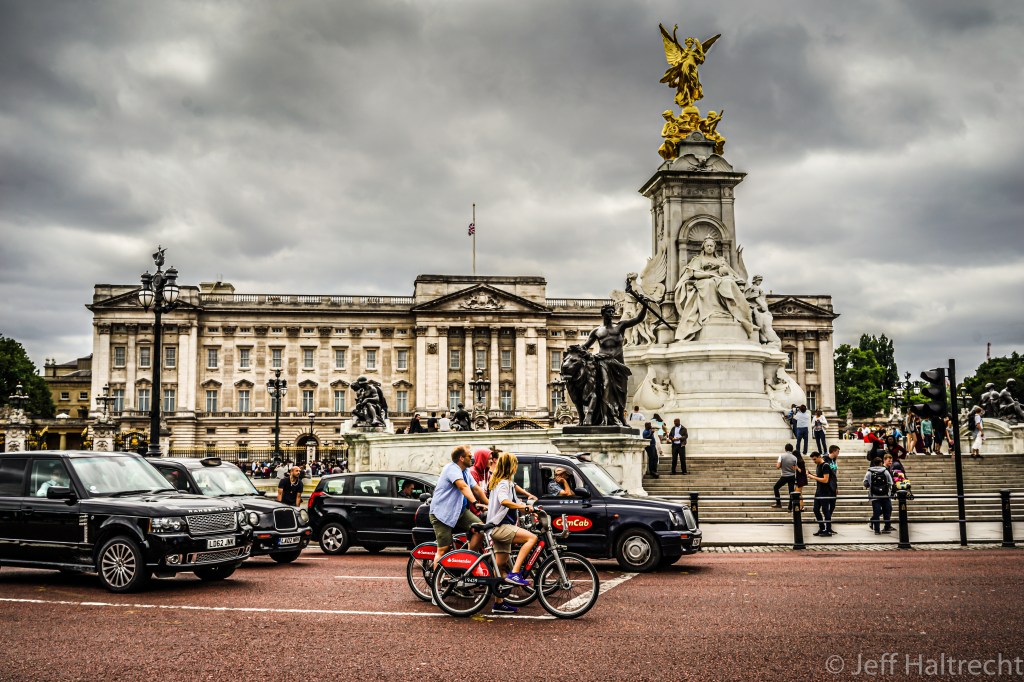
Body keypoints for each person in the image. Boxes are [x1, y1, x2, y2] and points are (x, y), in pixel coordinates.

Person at [486, 452, 540, 612]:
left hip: (501, 527)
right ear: (511, 466)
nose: (517, 467)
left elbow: (516, 503)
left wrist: (531, 511)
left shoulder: (506, 483)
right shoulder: (503, 483)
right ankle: (515, 573)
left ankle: (499, 603)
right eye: (515, 464)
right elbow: (504, 501)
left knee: (500, 567)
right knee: (532, 538)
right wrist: (523, 507)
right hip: (500, 527)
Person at [430, 445, 488, 570]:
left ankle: (468, 561)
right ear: (461, 458)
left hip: (459, 512)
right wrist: (474, 502)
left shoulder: (466, 471)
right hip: (442, 513)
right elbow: (462, 486)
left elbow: (476, 488)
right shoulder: (451, 469)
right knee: (444, 549)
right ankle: (436, 585)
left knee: (480, 529)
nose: (472, 459)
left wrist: (490, 504)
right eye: (469, 456)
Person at [807, 452, 835, 537]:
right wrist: (811, 474)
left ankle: (828, 530)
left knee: (825, 510)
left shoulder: (825, 465)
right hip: (819, 491)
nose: (814, 461)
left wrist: (812, 477)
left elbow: (825, 480)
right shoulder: (819, 465)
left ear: (819, 457)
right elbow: (819, 475)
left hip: (825, 491)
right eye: (812, 459)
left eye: (815, 459)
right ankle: (822, 528)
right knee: (815, 509)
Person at [863, 457, 894, 534]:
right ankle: (887, 527)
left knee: (876, 512)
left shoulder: (869, 472)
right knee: (887, 511)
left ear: (874, 463)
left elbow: (865, 483)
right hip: (885, 495)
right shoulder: (885, 471)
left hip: (874, 495)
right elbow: (890, 482)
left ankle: (877, 530)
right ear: (881, 463)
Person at [770, 444, 798, 510]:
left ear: (785, 449)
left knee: (776, 487)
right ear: (792, 449)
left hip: (784, 476)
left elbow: (778, 466)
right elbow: (795, 468)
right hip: (792, 476)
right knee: (791, 491)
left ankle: (778, 503)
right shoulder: (795, 458)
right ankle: (790, 507)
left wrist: (778, 465)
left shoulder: (781, 456)